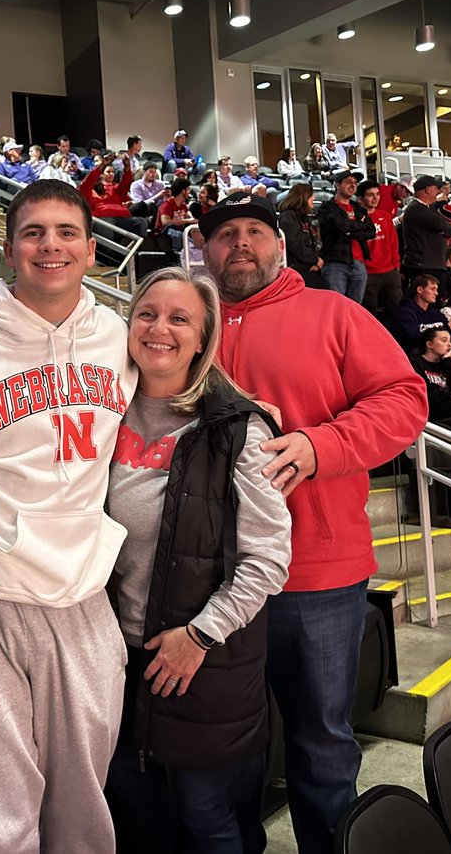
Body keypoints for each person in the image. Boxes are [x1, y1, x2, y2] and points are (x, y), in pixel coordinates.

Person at [202, 190, 428, 854]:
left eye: (254, 231)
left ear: (281, 243)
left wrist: (319, 446)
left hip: (316, 577)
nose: (239, 243)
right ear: (204, 250)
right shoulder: (185, 321)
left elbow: (404, 398)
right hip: (211, 581)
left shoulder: (333, 313)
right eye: (224, 234)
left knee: (322, 746)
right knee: (226, 751)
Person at [0, 179, 137, 853]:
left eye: (67, 232)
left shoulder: (117, 336)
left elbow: (187, 387)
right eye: (33, 232)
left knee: (84, 805)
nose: (51, 245)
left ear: (89, 247)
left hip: (84, 597)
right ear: (9, 248)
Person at [105, 267, 291, 854]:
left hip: (197, 658)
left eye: (179, 318)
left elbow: (267, 561)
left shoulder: (239, 427)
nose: (160, 328)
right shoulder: (98, 409)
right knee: (133, 808)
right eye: (147, 314)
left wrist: (200, 637)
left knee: (204, 815)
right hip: (110, 652)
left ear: (204, 336)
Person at [317, 169, 374, 303]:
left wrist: (350, 229)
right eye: (348, 182)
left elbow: (371, 231)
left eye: (355, 182)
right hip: (335, 263)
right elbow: (340, 226)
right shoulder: (327, 207)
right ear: (337, 184)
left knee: (356, 307)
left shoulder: (359, 208)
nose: (353, 185)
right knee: (335, 306)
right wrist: (358, 225)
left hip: (359, 263)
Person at [356, 180, 402, 312]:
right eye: (370, 195)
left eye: (377, 194)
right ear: (360, 199)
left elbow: (393, 242)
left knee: (398, 309)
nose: (375, 198)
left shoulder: (385, 216)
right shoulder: (355, 219)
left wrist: (396, 265)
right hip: (368, 274)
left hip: (390, 271)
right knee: (370, 313)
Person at [400, 175, 451, 282]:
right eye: (436, 189)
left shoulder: (427, 208)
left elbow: (449, 229)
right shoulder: (416, 208)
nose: (438, 192)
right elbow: (445, 227)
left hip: (430, 265)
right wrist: (441, 204)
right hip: (423, 266)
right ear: (428, 189)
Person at [277, 183, 325, 289]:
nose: (314, 198)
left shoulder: (304, 217)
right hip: (297, 271)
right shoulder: (288, 216)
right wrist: (315, 260)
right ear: (303, 197)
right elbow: (295, 245)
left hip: (308, 268)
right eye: (311, 195)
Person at [393, 273, 451, 351]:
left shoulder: (435, 312)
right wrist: (449, 327)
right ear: (420, 290)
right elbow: (414, 339)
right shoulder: (405, 313)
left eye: (436, 290)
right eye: (432, 289)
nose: (436, 293)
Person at [158, 178, 197, 251]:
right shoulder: (167, 205)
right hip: (164, 236)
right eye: (188, 189)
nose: (189, 192)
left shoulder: (183, 205)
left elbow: (191, 218)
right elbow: (165, 222)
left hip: (179, 233)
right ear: (183, 191)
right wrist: (187, 220)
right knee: (178, 234)